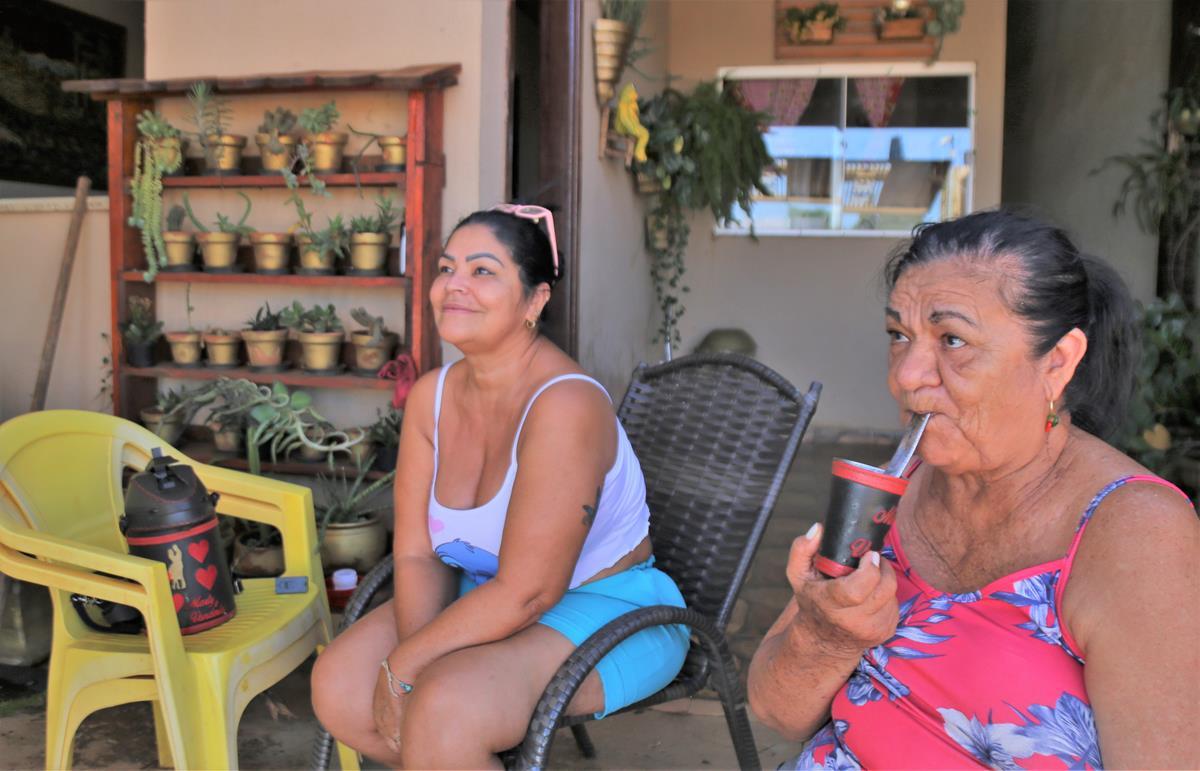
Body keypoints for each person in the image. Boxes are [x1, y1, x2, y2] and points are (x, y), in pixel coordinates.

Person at [748, 210, 1198, 769]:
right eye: (899, 335)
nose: (906, 376)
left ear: (1057, 362)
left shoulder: (1138, 535)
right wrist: (827, 631)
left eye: (953, 339)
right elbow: (774, 711)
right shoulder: (897, 486)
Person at [310, 205, 688, 768]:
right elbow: (415, 553)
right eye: (446, 268)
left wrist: (410, 668)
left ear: (535, 300)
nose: (454, 286)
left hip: (606, 608)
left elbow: (531, 592)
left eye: (483, 271)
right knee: (339, 687)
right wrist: (412, 661)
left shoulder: (566, 405)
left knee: (445, 711)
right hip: (483, 593)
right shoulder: (431, 398)